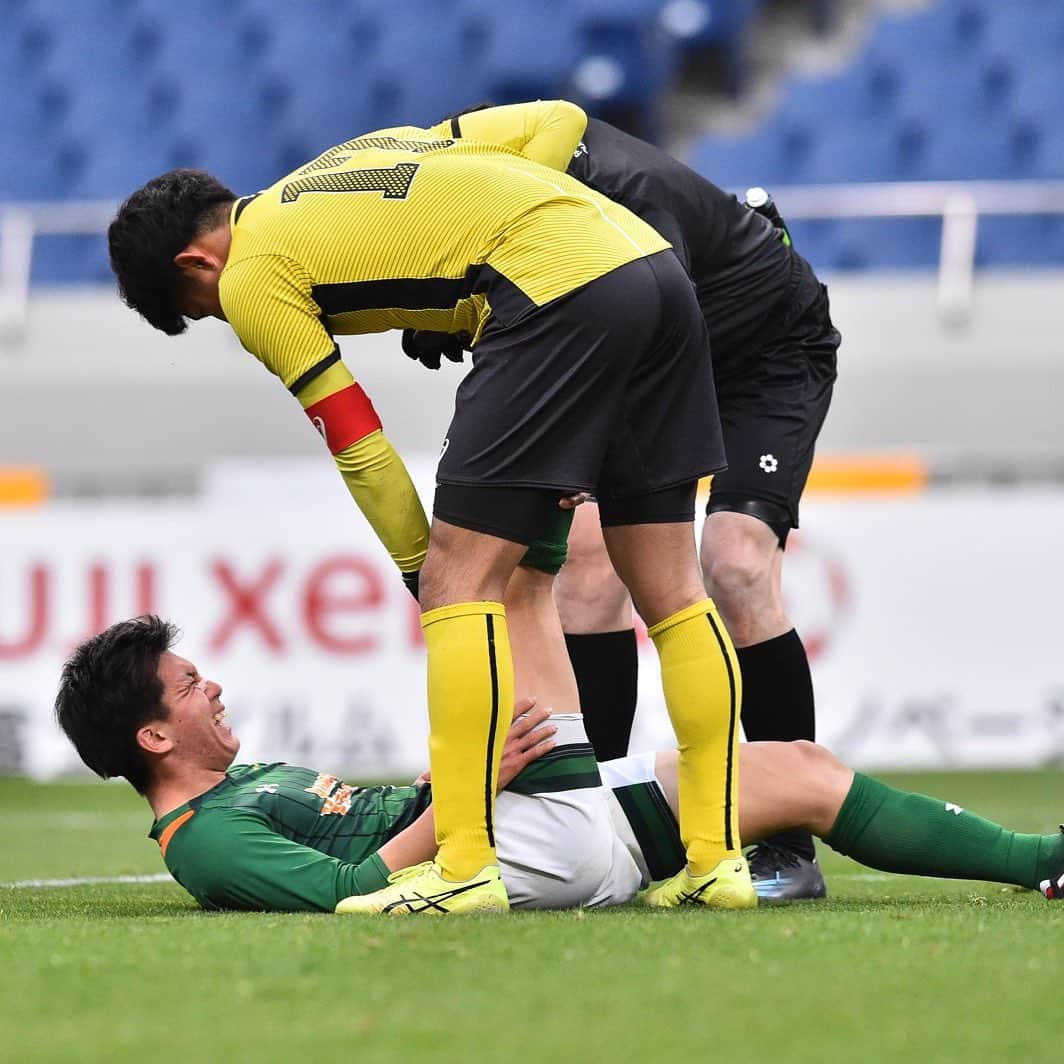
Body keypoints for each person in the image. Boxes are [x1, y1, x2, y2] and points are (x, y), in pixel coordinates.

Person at [106, 100, 752, 913]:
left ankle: (465, 868)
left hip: (557, 291)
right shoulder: (339, 166)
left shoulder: (249, 276)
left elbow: (359, 441)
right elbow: (554, 121)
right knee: (674, 593)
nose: (222, 313)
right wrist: (517, 231)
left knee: (459, 584)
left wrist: (426, 572)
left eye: (201, 310)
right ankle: (716, 864)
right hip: (651, 266)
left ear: (197, 263)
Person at [405, 102, 841, 900]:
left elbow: (629, 331)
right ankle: (594, 817)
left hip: (765, 353)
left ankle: (786, 837)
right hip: (671, 351)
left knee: (735, 563)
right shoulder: (500, 192)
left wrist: (575, 439)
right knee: (588, 563)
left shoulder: (624, 195)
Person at [54, 616, 1064, 914]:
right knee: (517, 587)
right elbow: (353, 890)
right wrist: (468, 783)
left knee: (795, 765)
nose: (214, 687)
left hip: (499, 821)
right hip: (501, 843)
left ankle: (1039, 857)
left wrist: (457, 783)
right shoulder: (207, 840)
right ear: (152, 737)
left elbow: (371, 831)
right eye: (189, 687)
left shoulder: (236, 786)